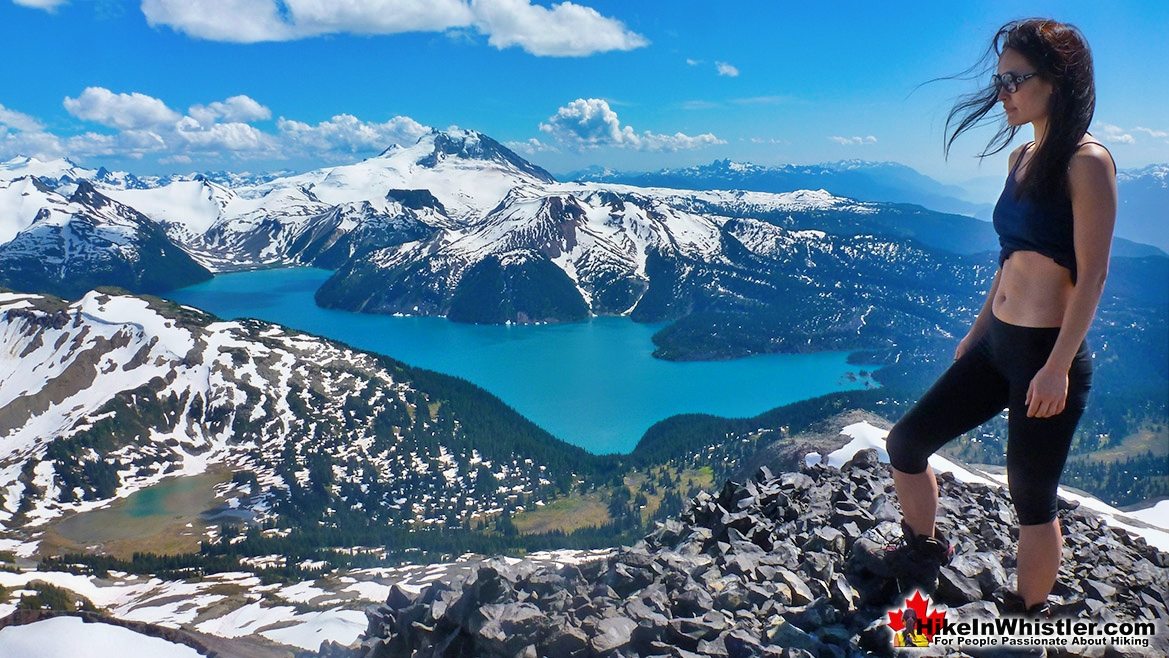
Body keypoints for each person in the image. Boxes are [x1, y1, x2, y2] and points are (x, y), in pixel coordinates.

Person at [883, 17, 1117, 617]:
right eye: (1000, 80)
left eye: (1015, 79)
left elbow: (1092, 274)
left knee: (1030, 496)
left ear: (1058, 81)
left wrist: (1058, 367)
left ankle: (1025, 616)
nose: (1002, 92)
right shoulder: (1022, 156)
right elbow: (1010, 258)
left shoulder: (1087, 162)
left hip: (1045, 356)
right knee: (906, 442)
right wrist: (978, 329)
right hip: (996, 346)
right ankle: (924, 550)